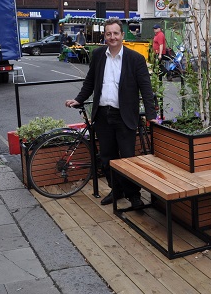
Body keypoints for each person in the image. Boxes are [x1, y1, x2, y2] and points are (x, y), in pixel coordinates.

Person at [65, 18, 157, 207]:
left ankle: (134, 195)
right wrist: (79, 99)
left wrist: (151, 116)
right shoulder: (98, 55)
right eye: (108, 34)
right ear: (104, 36)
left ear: (122, 35)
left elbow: (146, 89)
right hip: (102, 115)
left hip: (125, 116)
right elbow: (90, 82)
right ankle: (117, 191)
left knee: (128, 159)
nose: (112, 37)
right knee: (107, 158)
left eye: (116, 33)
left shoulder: (135, 59)